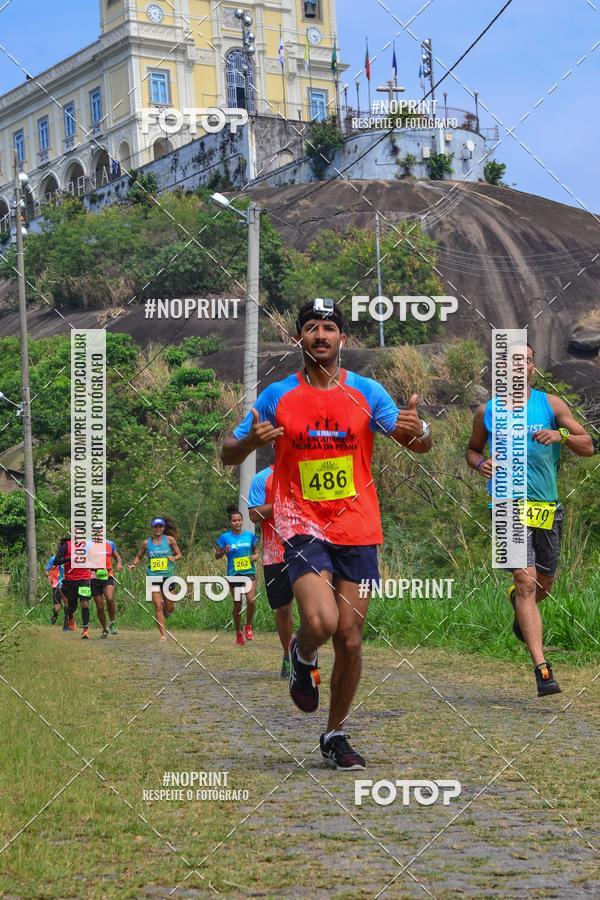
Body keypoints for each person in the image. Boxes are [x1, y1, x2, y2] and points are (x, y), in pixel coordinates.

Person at [221, 298, 432, 770]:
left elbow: (417, 443)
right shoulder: (277, 396)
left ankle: (335, 733)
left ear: (343, 338)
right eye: (312, 327)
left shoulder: (367, 392)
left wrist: (420, 429)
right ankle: (302, 653)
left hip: (357, 526)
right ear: (299, 337)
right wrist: (250, 441)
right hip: (301, 523)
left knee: (351, 639)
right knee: (320, 622)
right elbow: (227, 452)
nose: (320, 334)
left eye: (329, 327)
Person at [466, 342, 594, 697]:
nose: (519, 366)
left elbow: (588, 445)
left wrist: (560, 435)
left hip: (545, 506)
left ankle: (519, 607)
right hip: (506, 507)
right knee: (525, 581)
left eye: (526, 361)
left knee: (543, 584)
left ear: (533, 368)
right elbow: (472, 450)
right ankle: (542, 669)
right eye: (513, 361)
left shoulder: (550, 404)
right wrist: (481, 464)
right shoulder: (487, 411)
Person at [248, 464, 294, 677]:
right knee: (283, 608)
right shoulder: (262, 478)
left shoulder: (306, 469)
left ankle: (308, 658)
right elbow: (254, 514)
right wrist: (282, 504)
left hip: (308, 550)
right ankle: (288, 655)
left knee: (311, 608)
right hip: (275, 554)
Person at [129, 517, 182, 641]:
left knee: (170, 606)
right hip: (153, 576)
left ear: (163, 528)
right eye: (155, 527)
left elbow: (179, 554)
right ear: (152, 528)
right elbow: (139, 556)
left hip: (168, 576)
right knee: (158, 606)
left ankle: (167, 611)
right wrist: (133, 564)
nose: (158, 529)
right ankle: (163, 634)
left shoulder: (169, 540)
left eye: (160, 527)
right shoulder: (146, 543)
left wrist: (174, 558)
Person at [214, 506, 259, 646]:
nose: (237, 522)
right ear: (230, 522)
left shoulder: (249, 536)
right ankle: (238, 632)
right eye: (234, 521)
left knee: (251, 600)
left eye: (239, 520)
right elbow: (217, 555)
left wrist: (255, 556)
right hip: (234, 573)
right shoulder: (225, 537)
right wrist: (223, 551)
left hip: (249, 571)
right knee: (238, 604)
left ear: (242, 521)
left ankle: (248, 626)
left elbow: (256, 551)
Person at [53, 537, 92, 638]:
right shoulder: (66, 546)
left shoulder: (88, 545)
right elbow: (56, 561)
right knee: (72, 607)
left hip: (84, 578)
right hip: (70, 580)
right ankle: (70, 616)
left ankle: (85, 630)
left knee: (84, 602)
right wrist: (69, 559)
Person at [89, 531, 123, 638]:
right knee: (99, 605)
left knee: (109, 597)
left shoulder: (110, 544)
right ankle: (105, 629)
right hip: (94, 577)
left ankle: (112, 622)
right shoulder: (88, 545)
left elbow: (117, 557)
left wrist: (119, 564)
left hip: (108, 575)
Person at [45, 544, 68, 629]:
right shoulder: (53, 559)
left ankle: (66, 624)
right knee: (57, 608)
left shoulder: (69, 559)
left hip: (67, 584)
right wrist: (49, 576)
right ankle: (55, 615)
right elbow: (47, 570)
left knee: (67, 603)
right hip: (56, 584)